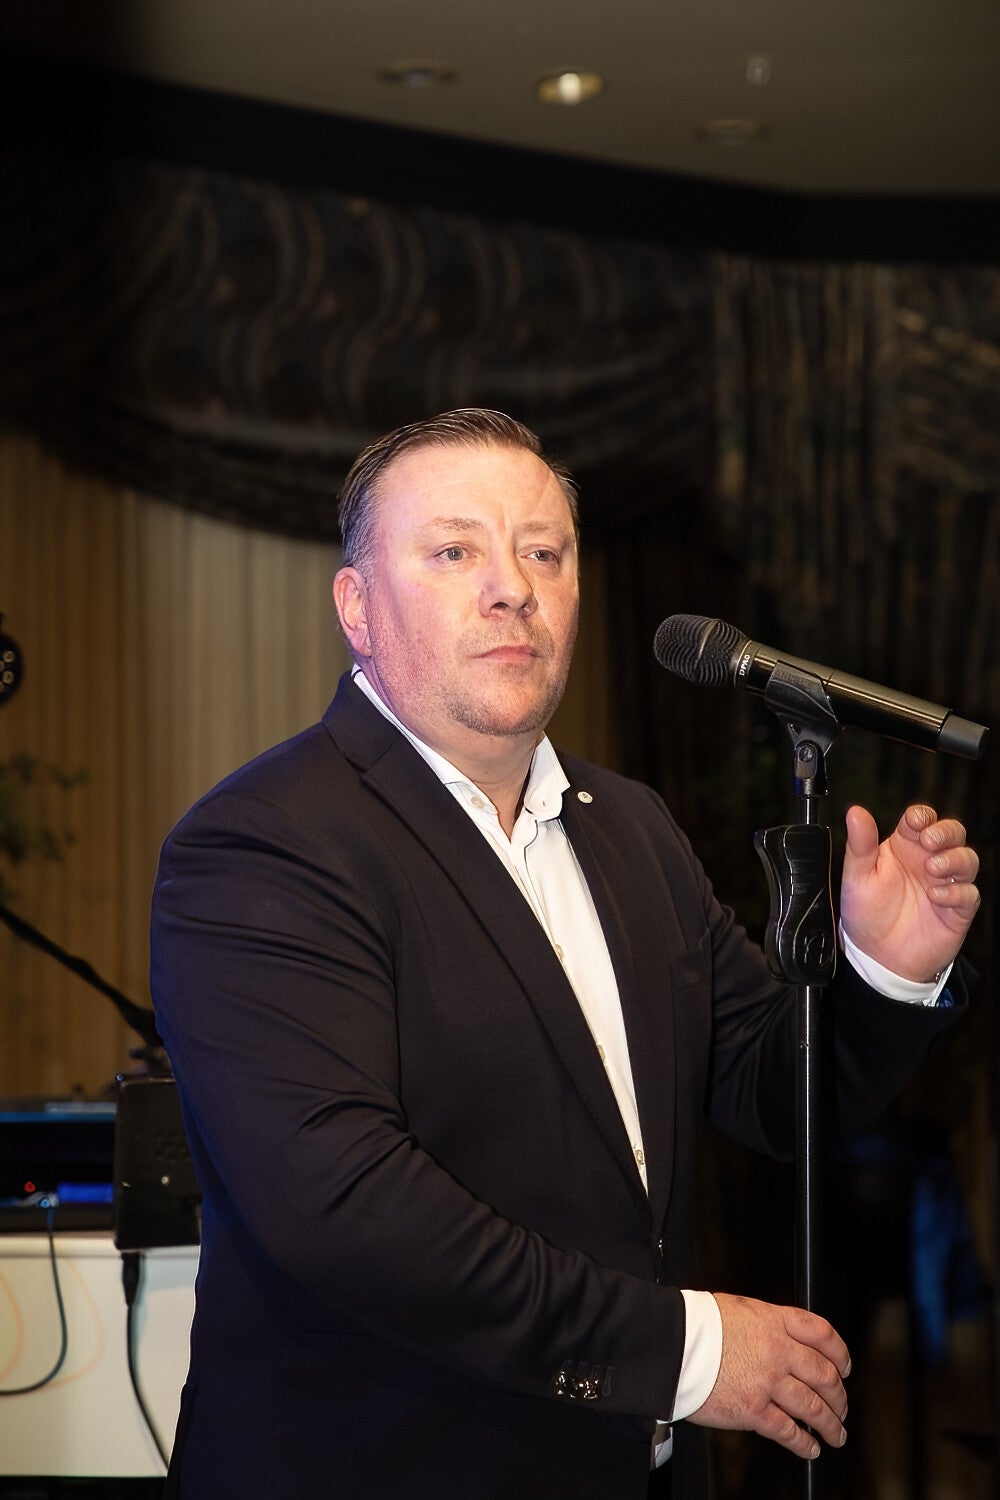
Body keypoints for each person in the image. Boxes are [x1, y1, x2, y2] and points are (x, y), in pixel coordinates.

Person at [150, 409, 980, 1499]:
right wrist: (687, 1351)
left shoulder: (630, 825)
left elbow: (769, 1090)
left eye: (544, 552)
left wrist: (883, 971)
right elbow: (344, 1207)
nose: (513, 589)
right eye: (455, 552)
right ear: (356, 606)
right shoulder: (263, 841)